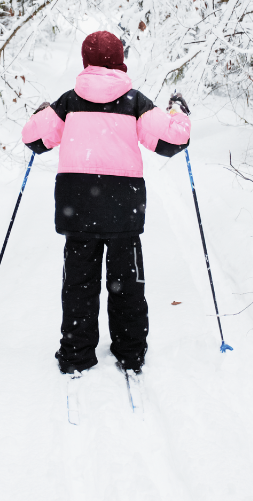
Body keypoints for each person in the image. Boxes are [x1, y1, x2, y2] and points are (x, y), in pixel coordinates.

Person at [21, 31, 192, 375]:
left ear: (86, 62)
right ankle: (130, 351)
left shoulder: (68, 102)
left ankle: (76, 352)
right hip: (122, 208)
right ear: (120, 61)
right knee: (126, 282)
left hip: (78, 206)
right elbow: (174, 140)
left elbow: (34, 138)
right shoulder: (134, 102)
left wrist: (41, 112)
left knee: (79, 282)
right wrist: (179, 111)